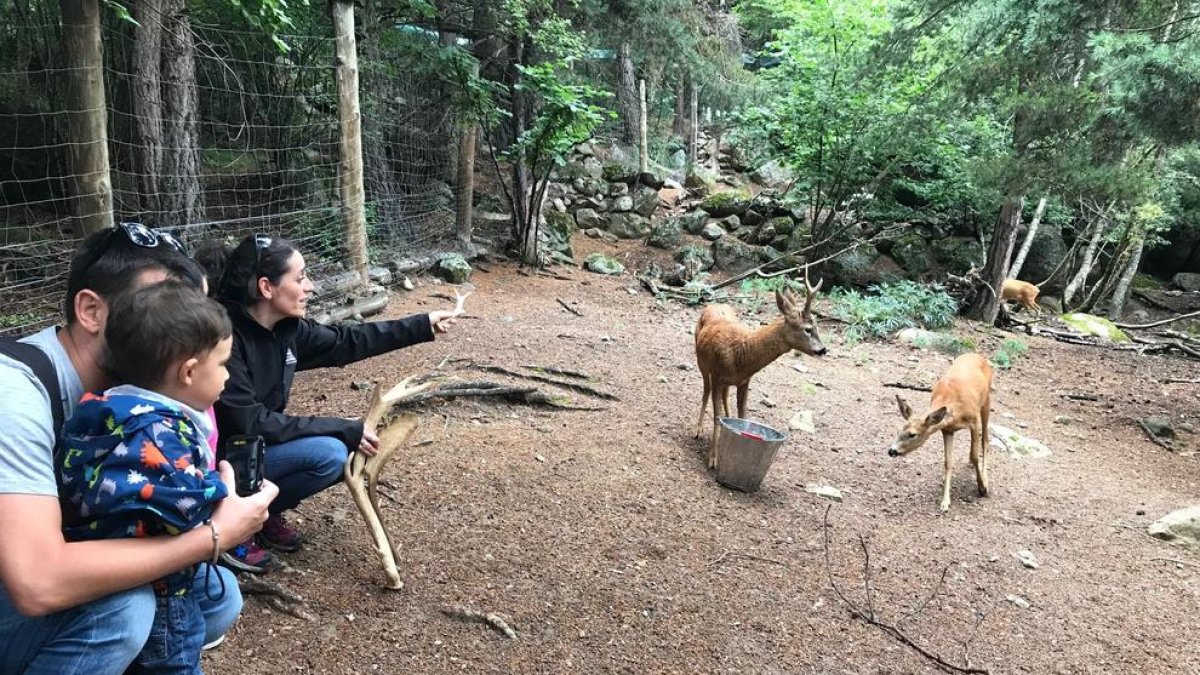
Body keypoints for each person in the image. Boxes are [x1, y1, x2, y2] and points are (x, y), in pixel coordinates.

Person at [0, 223, 277, 675]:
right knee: (123, 610)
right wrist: (213, 536)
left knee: (217, 596)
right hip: (26, 579)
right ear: (91, 311)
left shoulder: (136, 398)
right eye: (164, 306)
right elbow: (38, 583)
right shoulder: (13, 395)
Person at [212, 234, 457, 569]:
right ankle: (233, 527)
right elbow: (249, 421)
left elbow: (345, 341)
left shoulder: (286, 328)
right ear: (266, 288)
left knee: (338, 453)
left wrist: (421, 324)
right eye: (300, 278)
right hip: (218, 461)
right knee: (328, 453)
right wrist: (341, 428)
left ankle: (262, 512)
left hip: (253, 449)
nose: (310, 287)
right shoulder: (223, 338)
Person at [60, 281, 235, 674]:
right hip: (163, 589)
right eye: (223, 364)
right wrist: (223, 491)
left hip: (108, 568)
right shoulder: (161, 434)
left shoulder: (110, 407)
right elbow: (183, 509)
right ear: (189, 371)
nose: (227, 375)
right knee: (175, 660)